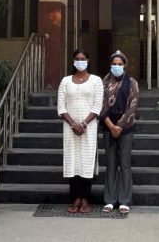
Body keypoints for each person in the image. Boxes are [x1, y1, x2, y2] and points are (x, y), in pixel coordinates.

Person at [57, 49, 104, 214]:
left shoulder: (96, 81)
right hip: (69, 129)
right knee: (72, 162)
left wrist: (83, 124)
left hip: (89, 128)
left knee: (86, 162)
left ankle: (85, 198)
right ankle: (75, 198)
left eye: (83, 58)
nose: (80, 61)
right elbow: (61, 107)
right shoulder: (65, 81)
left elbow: (98, 105)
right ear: (73, 61)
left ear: (88, 60)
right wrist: (73, 124)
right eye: (77, 58)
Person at [99, 50, 139, 214]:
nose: (117, 66)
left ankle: (124, 200)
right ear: (110, 65)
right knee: (110, 163)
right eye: (114, 64)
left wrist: (119, 126)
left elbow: (133, 105)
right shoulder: (103, 82)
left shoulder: (132, 82)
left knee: (125, 163)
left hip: (126, 127)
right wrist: (111, 126)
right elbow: (100, 105)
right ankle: (109, 200)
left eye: (120, 64)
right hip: (108, 126)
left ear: (125, 65)